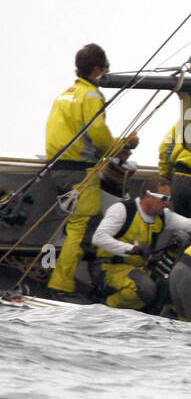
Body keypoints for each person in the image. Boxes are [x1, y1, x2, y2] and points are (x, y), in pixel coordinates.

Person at [45, 44, 139, 295]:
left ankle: (53, 274)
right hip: (79, 170)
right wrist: (123, 145)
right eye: (106, 68)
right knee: (81, 227)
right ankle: (61, 284)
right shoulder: (92, 96)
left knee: (70, 224)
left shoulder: (67, 93)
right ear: (98, 69)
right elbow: (96, 132)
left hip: (58, 166)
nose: (107, 72)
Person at [90, 177, 191, 309]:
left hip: (137, 269)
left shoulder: (163, 216)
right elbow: (99, 238)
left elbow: (190, 224)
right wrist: (133, 249)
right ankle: (107, 307)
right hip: (107, 268)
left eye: (169, 199)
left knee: (169, 286)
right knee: (144, 288)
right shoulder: (123, 210)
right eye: (163, 198)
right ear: (147, 195)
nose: (167, 203)